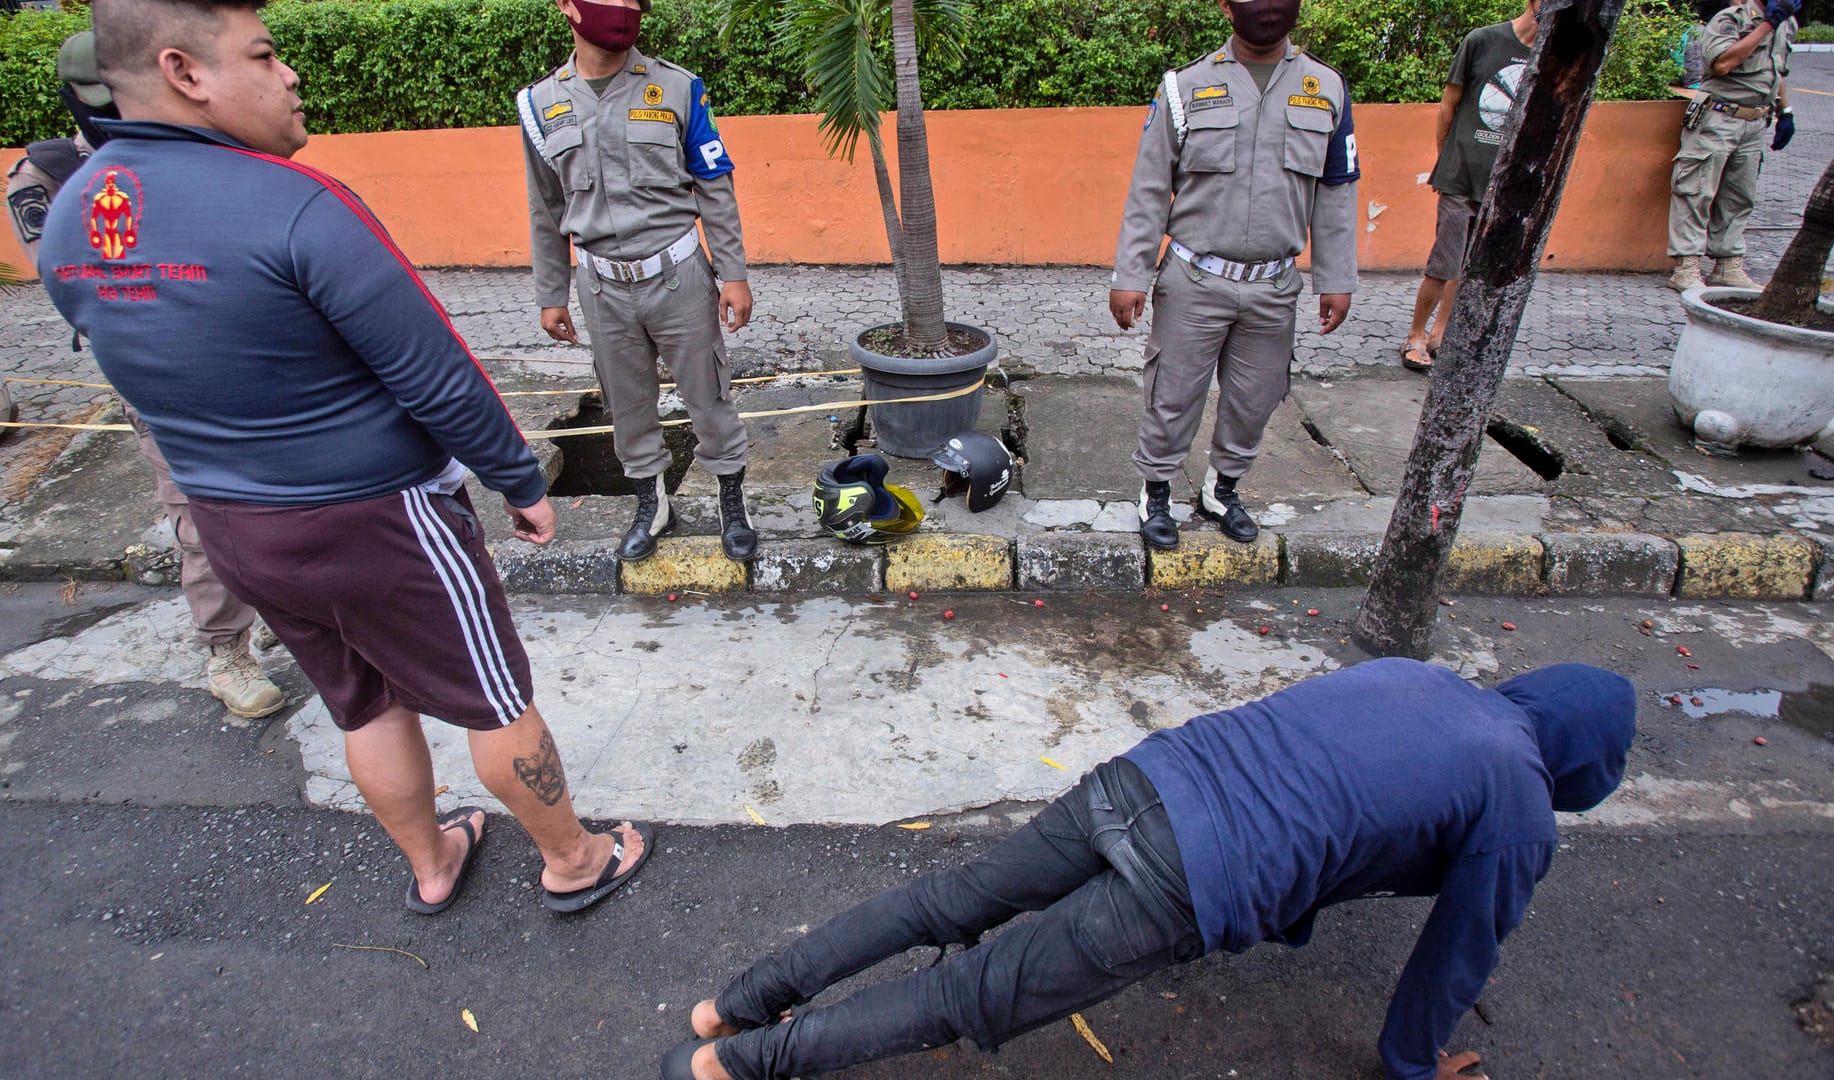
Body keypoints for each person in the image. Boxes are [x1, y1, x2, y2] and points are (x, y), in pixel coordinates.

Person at [38, 0, 651, 915]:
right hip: (375, 516)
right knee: (493, 695)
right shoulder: (297, 204)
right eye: (265, 53)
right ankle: (573, 857)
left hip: (233, 527)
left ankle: (434, 863)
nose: (290, 74)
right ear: (185, 72)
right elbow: (436, 372)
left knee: (362, 702)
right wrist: (519, 482)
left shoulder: (72, 216)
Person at [662, 659, 1636, 1080]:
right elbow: (1454, 958)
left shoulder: (1430, 682)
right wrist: (1411, 1064)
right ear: (1584, 766)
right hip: (1190, 875)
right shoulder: (1517, 804)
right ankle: (732, 1066)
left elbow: (1333, 777)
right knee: (966, 997)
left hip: (1146, 776)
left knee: (943, 903)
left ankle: (732, 1006)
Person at [7, 30, 285, 720]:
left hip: (250, 361)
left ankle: (290, 608)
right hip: (155, 376)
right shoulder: (50, 175)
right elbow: (68, 274)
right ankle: (227, 649)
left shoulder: (207, 151)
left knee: (283, 499)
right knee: (200, 516)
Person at [1109, 0, 1359, 551]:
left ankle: (1222, 490)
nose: (1268, 7)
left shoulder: (1327, 88)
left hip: (1274, 286)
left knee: (1255, 398)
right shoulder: (1184, 87)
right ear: (1226, 5)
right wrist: (1131, 273)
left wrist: (1337, 278)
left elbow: (1337, 192)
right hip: (1195, 278)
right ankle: (1155, 492)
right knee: (1172, 394)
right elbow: (1150, 188)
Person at [519, 0, 757, 564]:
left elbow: (714, 184)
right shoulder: (540, 104)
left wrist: (734, 273)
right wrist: (552, 294)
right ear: (566, 6)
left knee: (709, 394)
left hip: (677, 275)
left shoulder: (677, 88)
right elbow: (544, 208)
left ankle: (731, 500)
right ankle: (653, 503)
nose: (623, 9)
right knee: (626, 405)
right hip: (600, 287)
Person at [1398, 0, 1540, 374]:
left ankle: (1441, 333)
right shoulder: (1483, 40)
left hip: (1505, 183)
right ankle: (1415, 333)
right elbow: (1449, 104)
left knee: (1470, 264)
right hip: (1461, 175)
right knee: (1445, 259)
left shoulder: (1548, 56)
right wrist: (1445, 159)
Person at [1666, 0, 1797, 292]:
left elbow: (1778, 70)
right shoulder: (1731, 20)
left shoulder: (1786, 24)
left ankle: (1727, 264)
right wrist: (1767, 25)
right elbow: (1722, 63)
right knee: (1695, 190)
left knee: (1740, 195)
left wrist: (1784, 111)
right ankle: (1686, 267)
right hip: (1718, 117)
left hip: (1754, 121)